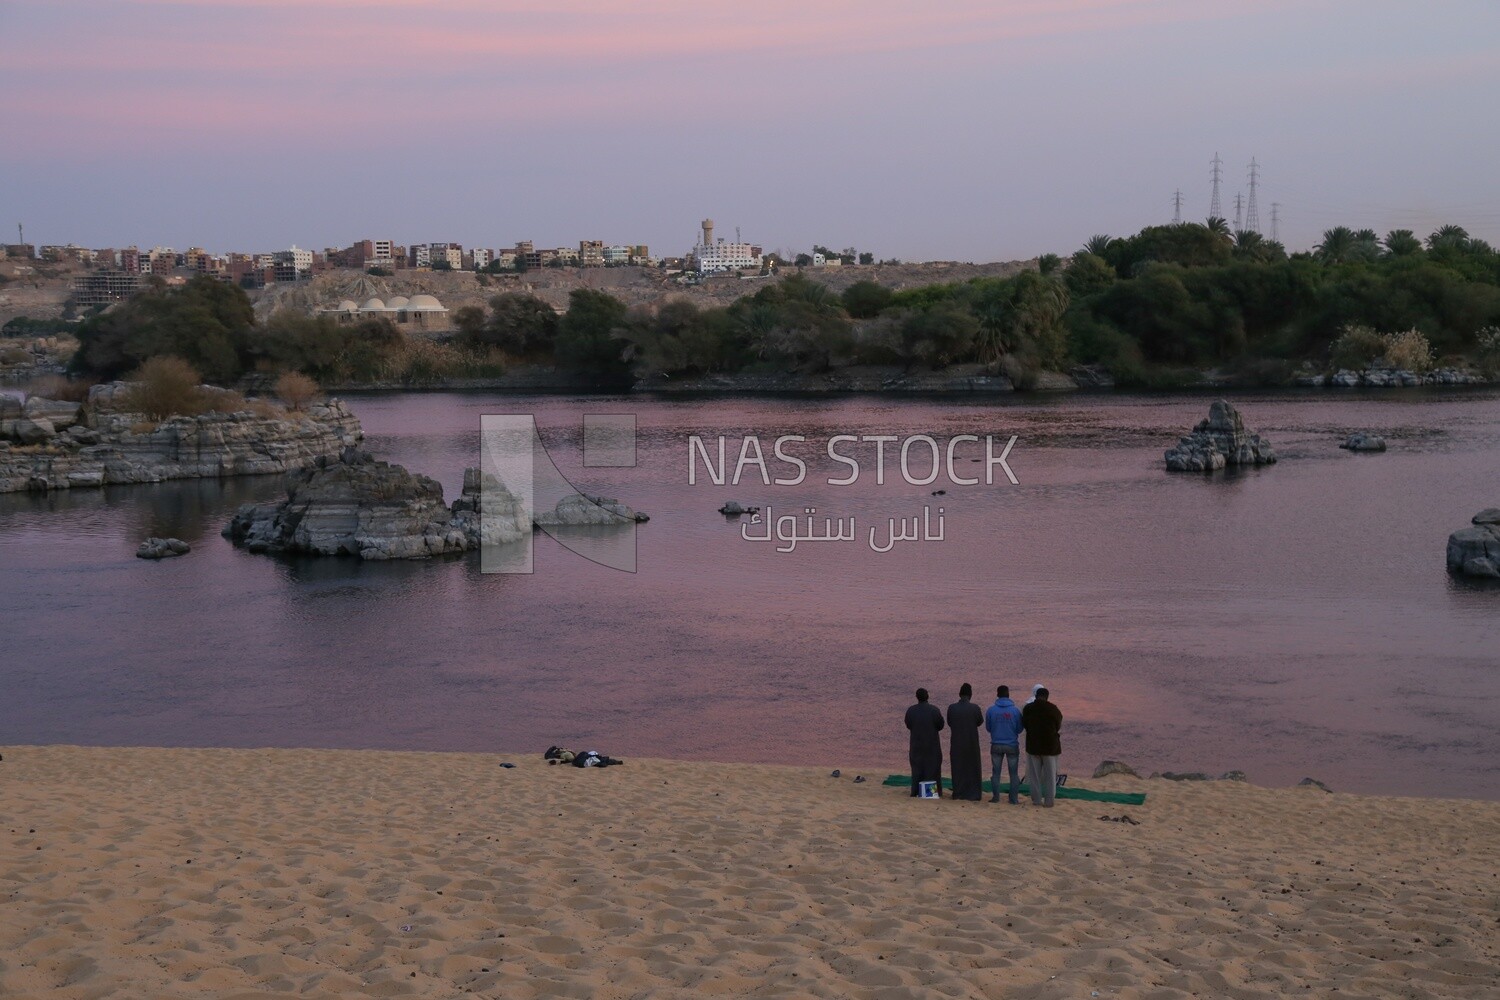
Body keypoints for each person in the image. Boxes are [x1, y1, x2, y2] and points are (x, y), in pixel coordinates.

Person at [1021, 686, 1063, 807]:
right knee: (1050, 776)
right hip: (1050, 748)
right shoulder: (1053, 709)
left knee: (1034, 776)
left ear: (1036, 696)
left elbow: (1025, 724)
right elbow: (1058, 724)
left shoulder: (1028, 709)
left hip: (1033, 747)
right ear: (1047, 697)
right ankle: (1049, 801)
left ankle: (1036, 800)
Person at [984, 685, 1023, 804]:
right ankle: (1013, 799)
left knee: (996, 772)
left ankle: (996, 797)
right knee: (1013, 773)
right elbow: (1020, 728)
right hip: (1011, 744)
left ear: (997, 694)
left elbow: (988, 728)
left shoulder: (991, 710)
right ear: (1008, 694)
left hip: (996, 744)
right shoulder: (1015, 711)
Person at [946, 683, 984, 801]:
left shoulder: (952, 708)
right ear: (970, 695)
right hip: (971, 743)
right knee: (973, 768)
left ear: (960, 694)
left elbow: (949, 722)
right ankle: (974, 794)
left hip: (957, 743)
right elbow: (979, 722)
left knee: (958, 769)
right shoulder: (975, 708)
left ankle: (958, 793)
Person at [904, 688, 945, 797]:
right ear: (927, 697)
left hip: (916, 745)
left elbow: (908, 725)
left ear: (917, 697)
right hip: (932, 745)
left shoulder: (911, 711)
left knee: (917, 769)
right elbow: (941, 725)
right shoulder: (934, 710)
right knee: (932, 769)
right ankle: (931, 792)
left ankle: (916, 791)